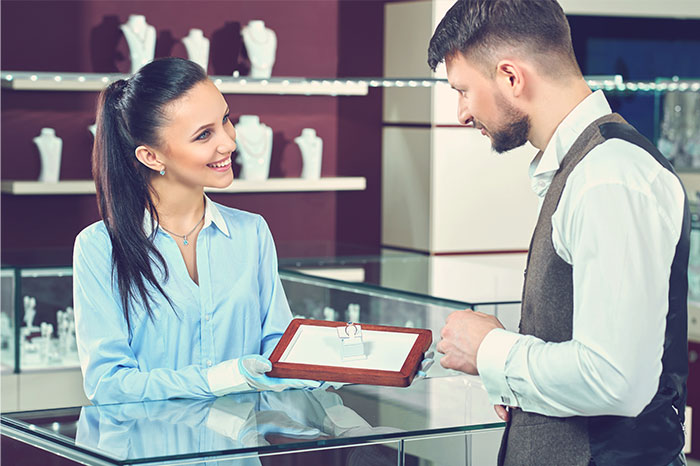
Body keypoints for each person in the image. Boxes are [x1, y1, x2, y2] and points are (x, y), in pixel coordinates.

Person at [429, 1, 689, 465]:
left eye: (464, 90)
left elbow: (615, 379)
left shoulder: (609, 176)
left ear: (511, 77)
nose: (462, 113)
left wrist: (491, 350)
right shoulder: (589, 169)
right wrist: (521, 385)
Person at [73, 57, 322, 405]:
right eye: (204, 135)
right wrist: (221, 379)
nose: (229, 143)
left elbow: (279, 353)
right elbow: (108, 384)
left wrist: (365, 362)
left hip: (238, 454)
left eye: (225, 120)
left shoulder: (252, 233)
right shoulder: (99, 247)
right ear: (151, 157)